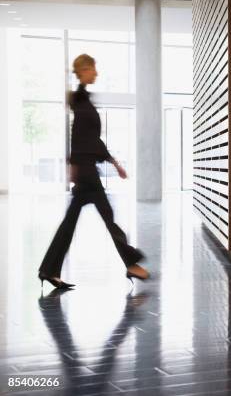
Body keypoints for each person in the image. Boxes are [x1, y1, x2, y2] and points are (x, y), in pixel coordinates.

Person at [38, 54, 150, 289]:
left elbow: (91, 138)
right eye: (93, 69)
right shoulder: (80, 101)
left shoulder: (83, 99)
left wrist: (112, 162)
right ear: (85, 70)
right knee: (108, 218)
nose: (96, 73)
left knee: (71, 223)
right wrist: (76, 166)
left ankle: (48, 270)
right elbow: (79, 137)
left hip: (87, 170)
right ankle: (130, 264)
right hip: (87, 173)